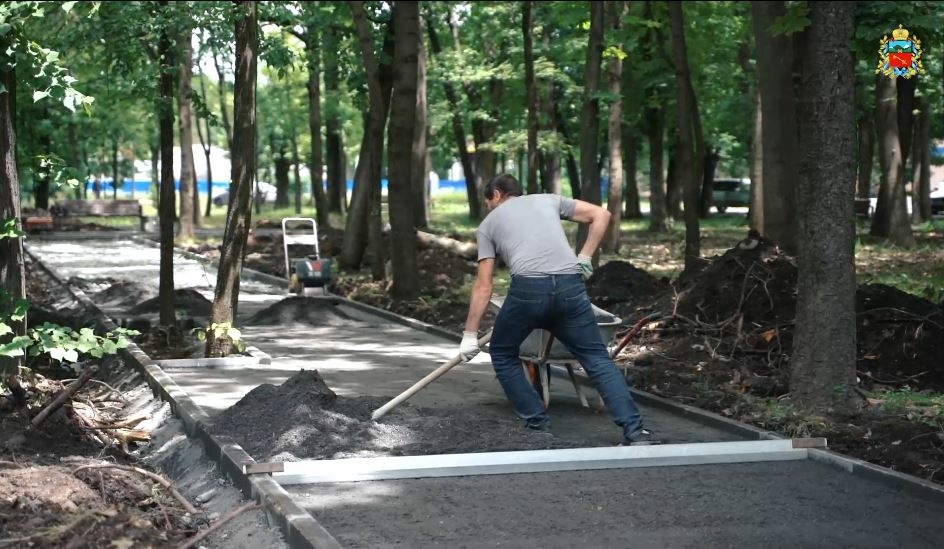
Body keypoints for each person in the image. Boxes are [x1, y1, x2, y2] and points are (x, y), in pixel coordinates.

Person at [458, 173, 656, 445]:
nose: (489, 208)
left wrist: (470, 335)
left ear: (496, 195)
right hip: (569, 288)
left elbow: (484, 286)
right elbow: (601, 214)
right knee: (596, 358)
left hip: (528, 292)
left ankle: (537, 427)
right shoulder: (548, 200)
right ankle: (635, 432)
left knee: (503, 353)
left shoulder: (487, 225)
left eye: (488, 202)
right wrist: (584, 256)